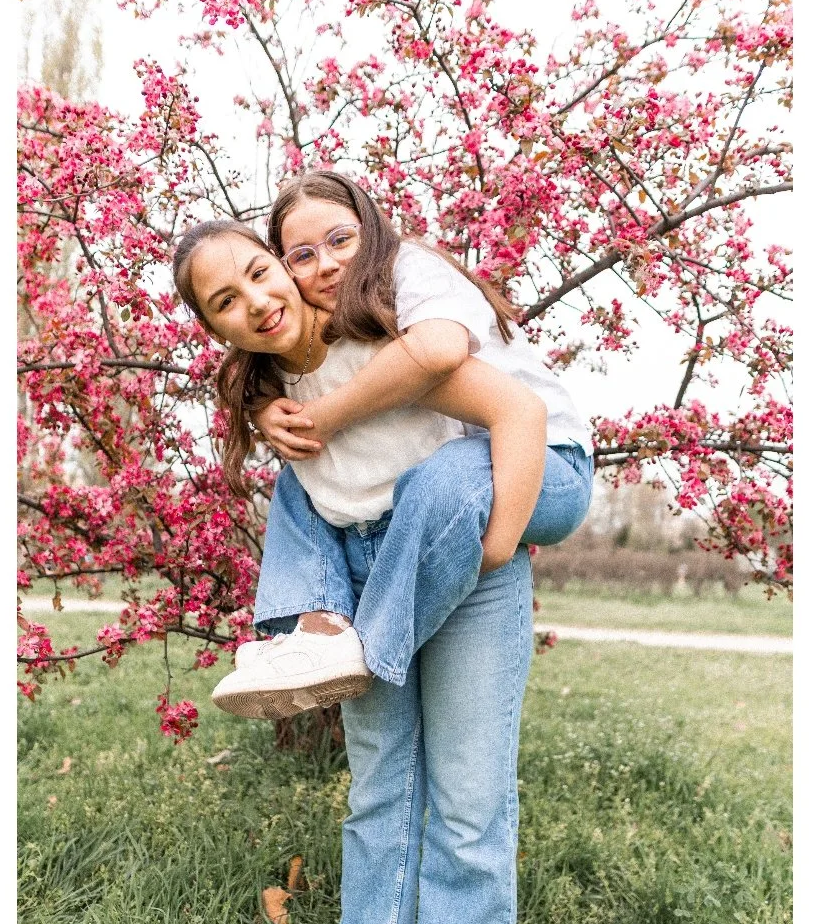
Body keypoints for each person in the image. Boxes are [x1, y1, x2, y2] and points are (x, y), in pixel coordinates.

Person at [172, 188, 593, 924]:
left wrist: (498, 545)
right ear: (219, 330)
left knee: (470, 814)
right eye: (230, 300)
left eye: (260, 270)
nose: (264, 294)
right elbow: (312, 500)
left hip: (471, 559)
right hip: (374, 577)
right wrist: (266, 416)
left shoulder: (389, 323)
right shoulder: (273, 387)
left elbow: (512, 420)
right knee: (378, 804)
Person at [206, 171, 594, 720]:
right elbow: (245, 373)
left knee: (446, 470)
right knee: (300, 479)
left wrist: (500, 541)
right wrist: (263, 410)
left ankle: (361, 652)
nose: (327, 264)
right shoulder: (347, 321)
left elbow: (445, 355)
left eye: (342, 240)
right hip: (485, 459)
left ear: (372, 228)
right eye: (302, 256)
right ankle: (313, 624)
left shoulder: (407, 270)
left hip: (550, 462)